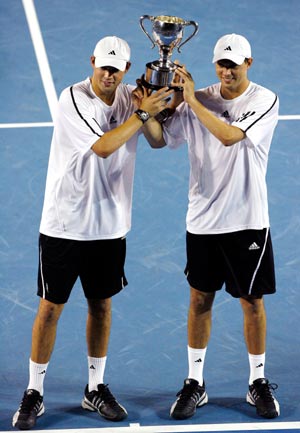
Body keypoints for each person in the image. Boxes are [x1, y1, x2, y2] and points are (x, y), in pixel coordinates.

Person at [12, 35, 172, 430]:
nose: (108, 75)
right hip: (65, 224)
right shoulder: (73, 98)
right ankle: (34, 392)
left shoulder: (129, 100)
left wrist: (151, 110)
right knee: (51, 307)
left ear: (127, 70)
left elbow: (156, 142)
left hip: (109, 226)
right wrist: (140, 113)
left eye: (116, 69)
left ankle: (95, 387)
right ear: (92, 62)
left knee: (101, 305)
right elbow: (103, 147)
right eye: (104, 67)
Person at [145, 33, 280, 420]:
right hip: (203, 220)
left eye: (234, 64)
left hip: (247, 220)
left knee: (252, 302)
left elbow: (229, 136)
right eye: (221, 64)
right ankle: (195, 382)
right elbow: (158, 142)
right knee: (199, 300)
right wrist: (149, 112)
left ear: (248, 64)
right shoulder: (197, 96)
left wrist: (190, 101)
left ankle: (257, 382)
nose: (227, 71)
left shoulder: (263, 100)